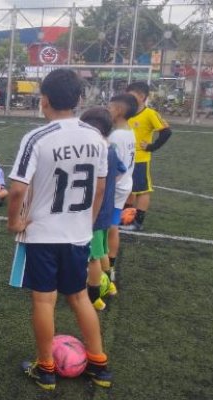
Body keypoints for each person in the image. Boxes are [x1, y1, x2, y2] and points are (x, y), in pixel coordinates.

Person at [7, 68, 112, 390]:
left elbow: (15, 189)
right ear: (80, 99)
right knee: (79, 297)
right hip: (77, 234)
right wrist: (88, 221)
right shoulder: (96, 138)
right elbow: (100, 187)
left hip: (43, 234)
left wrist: (14, 222)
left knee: (43, 301)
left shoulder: (37, 138)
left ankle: (47, 369)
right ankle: (99, 365)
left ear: (44, 100)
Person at [79, 107, 121, 311]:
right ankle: (110, 285)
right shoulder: (111, 149)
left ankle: (94, 296)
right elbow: (120, 172)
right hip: (106, 211)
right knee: (102, 250)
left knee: (92, 258)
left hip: (94, 213)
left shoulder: (96, 151)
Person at [122, 81, 172, 231]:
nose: (128, 99)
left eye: (131, 96)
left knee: (142, 190)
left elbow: (166, 132)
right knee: (128, 190)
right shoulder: (127, 113)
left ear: (142, 96)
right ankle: (126, 219)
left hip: (140, 159)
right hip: (126, 159)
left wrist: (151, 147)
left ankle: (138, 222)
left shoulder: (150, 113)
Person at [106, 94, 138, 283]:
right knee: (113, 226)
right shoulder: (129, 131)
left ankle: (104, 267)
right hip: (124, 185)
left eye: (110, 108)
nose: (108, 111)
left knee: (107, 227)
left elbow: (114, 165)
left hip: (115, 187)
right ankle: (109, 266)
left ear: (118, 110)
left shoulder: (116, 136)